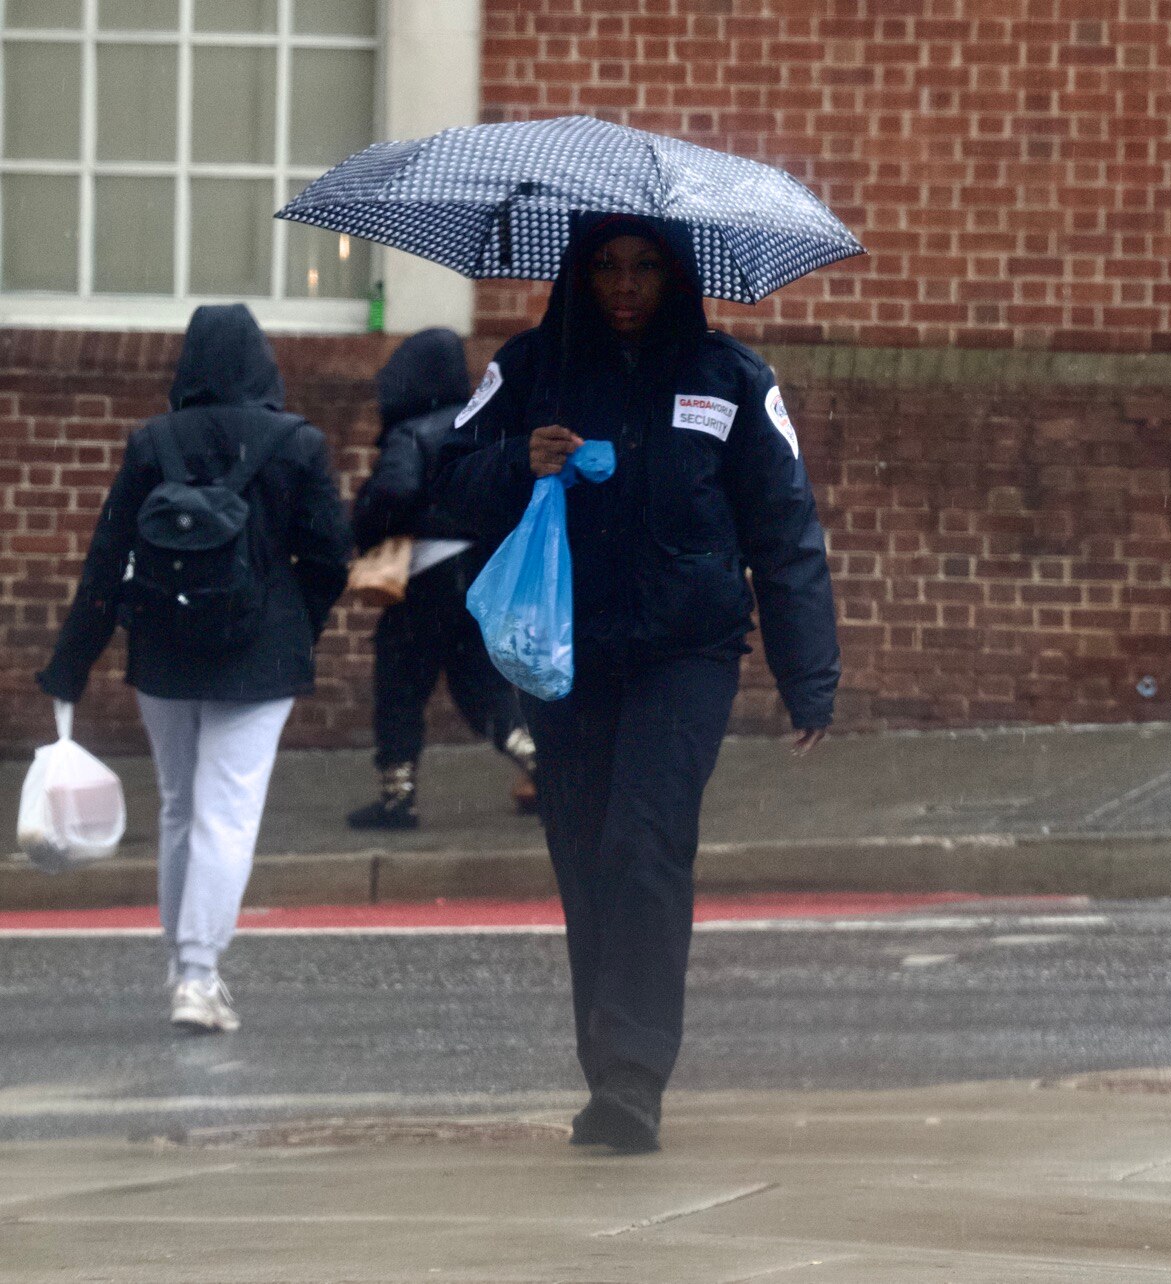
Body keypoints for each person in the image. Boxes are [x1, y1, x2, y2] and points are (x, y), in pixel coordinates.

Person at [436, 214, 840, 1152]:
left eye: (645, 268)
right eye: (607, 267)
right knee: (586, 858)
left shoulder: (729, 379)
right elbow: (445, 480)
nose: (624, 286)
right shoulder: (531, 366)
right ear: (579, 273)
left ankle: (633, 1076)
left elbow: (785, 529)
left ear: (677, 274)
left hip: (684, 656)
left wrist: (805, 673)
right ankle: (607, 1072)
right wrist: (514, 461)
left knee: (644, 844)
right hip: (564, 657)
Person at [36, 304, 351, 1033]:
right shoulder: (298, 443)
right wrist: (298, 624)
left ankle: (183, 968)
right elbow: (330, 555)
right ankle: (200, 976)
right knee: (227, 814)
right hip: (260, 656)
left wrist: (70, 663)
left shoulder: (154, 441)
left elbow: (109, 557)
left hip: (165, 647)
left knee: (180, 808)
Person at [346, 328, 537, 829]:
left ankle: (397, 795)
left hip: (426, 576)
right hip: (478, 574)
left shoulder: (412, 432)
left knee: (400, 682)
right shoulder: (481, 424)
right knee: (480, 682)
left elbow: (392, 493)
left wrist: (366, 525)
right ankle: (541, 763)